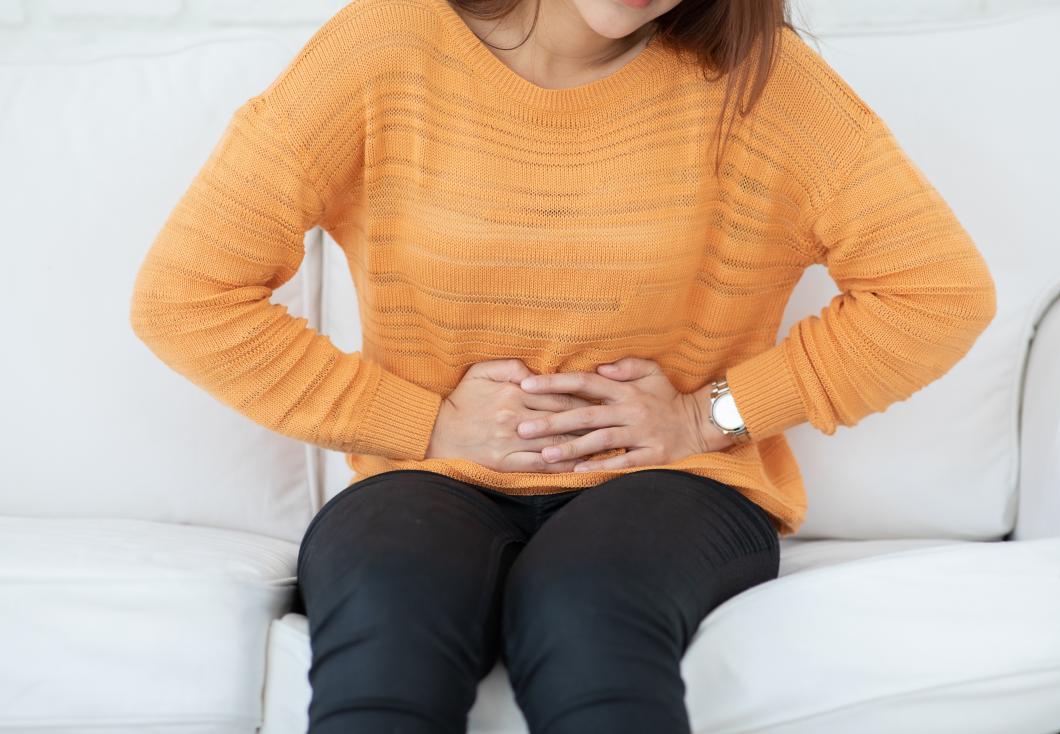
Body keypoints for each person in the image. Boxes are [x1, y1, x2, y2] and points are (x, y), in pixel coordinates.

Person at [129, 0, 998, 730]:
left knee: (584, 607)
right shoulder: (384, 43)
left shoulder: (764, 85)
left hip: (678, 486)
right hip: (428, 479)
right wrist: (422, 422)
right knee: (387, 617)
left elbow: (936, 289)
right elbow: (188, 294)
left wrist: (709, 415)